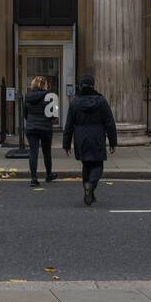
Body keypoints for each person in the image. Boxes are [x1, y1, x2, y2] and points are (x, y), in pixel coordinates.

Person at [61, 73, 117, 206]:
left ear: (80, 86)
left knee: (86, 164)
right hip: (97, 136)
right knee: (98, 164)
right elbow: (110, 122)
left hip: (81, 137)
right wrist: (113, 142)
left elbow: (69, 125)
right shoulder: (101, 101)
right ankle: (91, 185)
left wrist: (66, 144)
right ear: (93, 86)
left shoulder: (75, 102)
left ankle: (89, 192)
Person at [23, 74, 57, 186]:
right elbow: (53, 115)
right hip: (45, 128)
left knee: (33, 152)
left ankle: (34, 179)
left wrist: (31, 121)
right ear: (44, 85)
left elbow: (25, 114)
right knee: (47, 152)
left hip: (31, 127)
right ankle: (48, 175)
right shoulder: (50, 96)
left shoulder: (27, 96)